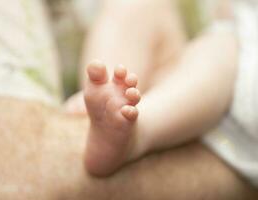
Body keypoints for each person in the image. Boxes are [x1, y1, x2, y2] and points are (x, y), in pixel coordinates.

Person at [0, 0, 257, 199]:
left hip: (233, 65)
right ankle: (103, 107)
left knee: (224, 55)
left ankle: (139, 129)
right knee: (135, 7)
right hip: (196, 65)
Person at [67, 0, 258, 189]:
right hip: (196, 72)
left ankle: (136, 133)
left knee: (222, 49)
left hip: (235, 98)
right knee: (139, 5)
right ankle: (102, 109)